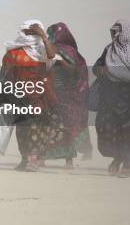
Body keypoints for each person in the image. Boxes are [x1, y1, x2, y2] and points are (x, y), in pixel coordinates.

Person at [2, 20, 61, 172]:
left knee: (37, 127)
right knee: (22, 129)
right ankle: (25, 159)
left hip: (40, 96)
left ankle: (33, 159)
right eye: (30, 31)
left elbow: (52, 56)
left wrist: (43, 37)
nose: (31, 35)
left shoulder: (43, 51)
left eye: (35, 32)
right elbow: (6, 75)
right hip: (20, 97)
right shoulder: (13, 53)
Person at [93, 19, 130, 177]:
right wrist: (103, 71)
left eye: (117, 31)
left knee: (129, 129)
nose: (114, 35)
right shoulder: (109, 49)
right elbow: (98, 67)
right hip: (111, 97)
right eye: (112, 31)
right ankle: (119, 158)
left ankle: (128, 162)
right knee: (111, 129)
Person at [42, 23, 92, 168]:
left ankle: (68, 160)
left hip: (65, 94)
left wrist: (59, 60)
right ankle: (43, 158)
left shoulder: (68, 51)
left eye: (52, 34)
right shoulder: (54, 50)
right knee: (50, 125)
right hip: (53, 92)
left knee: (64, 127)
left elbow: (73, 71)